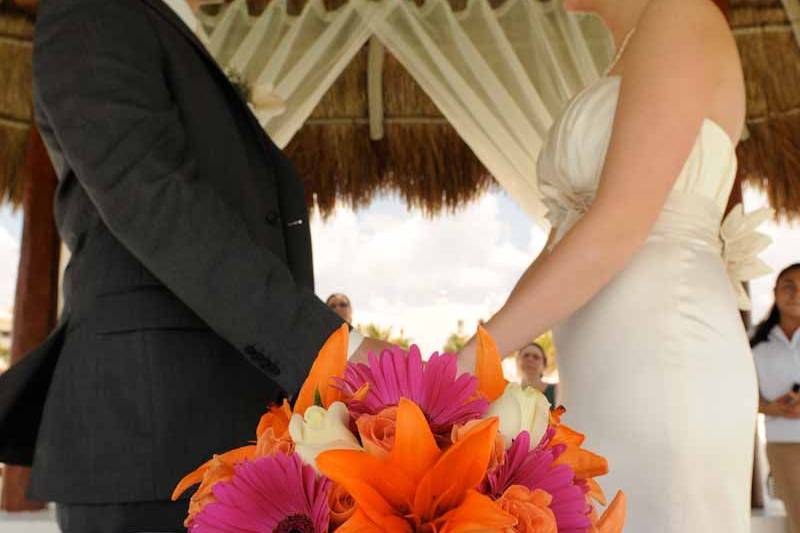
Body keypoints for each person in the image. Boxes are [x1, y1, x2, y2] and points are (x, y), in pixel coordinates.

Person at [0, 0, 384, 531]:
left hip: (211, 439)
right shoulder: (92, 11)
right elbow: (156, 202)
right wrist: (337, 354)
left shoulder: (168, 30)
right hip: (150, 440)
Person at [458, 0, 767, 530]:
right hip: (600, 367)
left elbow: (620, 224)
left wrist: (464, 367)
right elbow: (563, 245)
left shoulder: (681, 13)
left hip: (667, 356)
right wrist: (472, 365)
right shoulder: (631, 48)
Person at [753, 264, 800, 533]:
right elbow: (742, 396)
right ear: (776, 292)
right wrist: (772, 407)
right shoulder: (754, 342)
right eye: (789, 285)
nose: (796, 294)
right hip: (784, 446)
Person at [515, 342, 558, 406]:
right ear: (518, 361)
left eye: (536, 357)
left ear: (544, 365)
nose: (530, 359)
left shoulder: (557, 391)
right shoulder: (509, 394)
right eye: (526, 355)